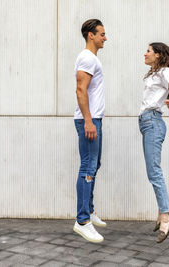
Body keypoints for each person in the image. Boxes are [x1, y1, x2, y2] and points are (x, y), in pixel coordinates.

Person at [138, 42, 169, 243]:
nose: (144, 54)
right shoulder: (155, 73)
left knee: (153, 170)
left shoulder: (165, 72)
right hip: (147, 123)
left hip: (153, 122)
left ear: (158, 55)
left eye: (148, 51)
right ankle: (161, 213)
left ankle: (166, 216)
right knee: (153, 170)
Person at [72, 19, 107, 243]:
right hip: (89, 120)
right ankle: (82, 220)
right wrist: (88, 121)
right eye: (102, 34)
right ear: (90, 35)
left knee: (94, 165)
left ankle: (89, 211)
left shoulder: (92, 59)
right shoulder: (86, 57)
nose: (106, 37)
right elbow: (80, 89)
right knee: (87, 166)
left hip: (94, 119)